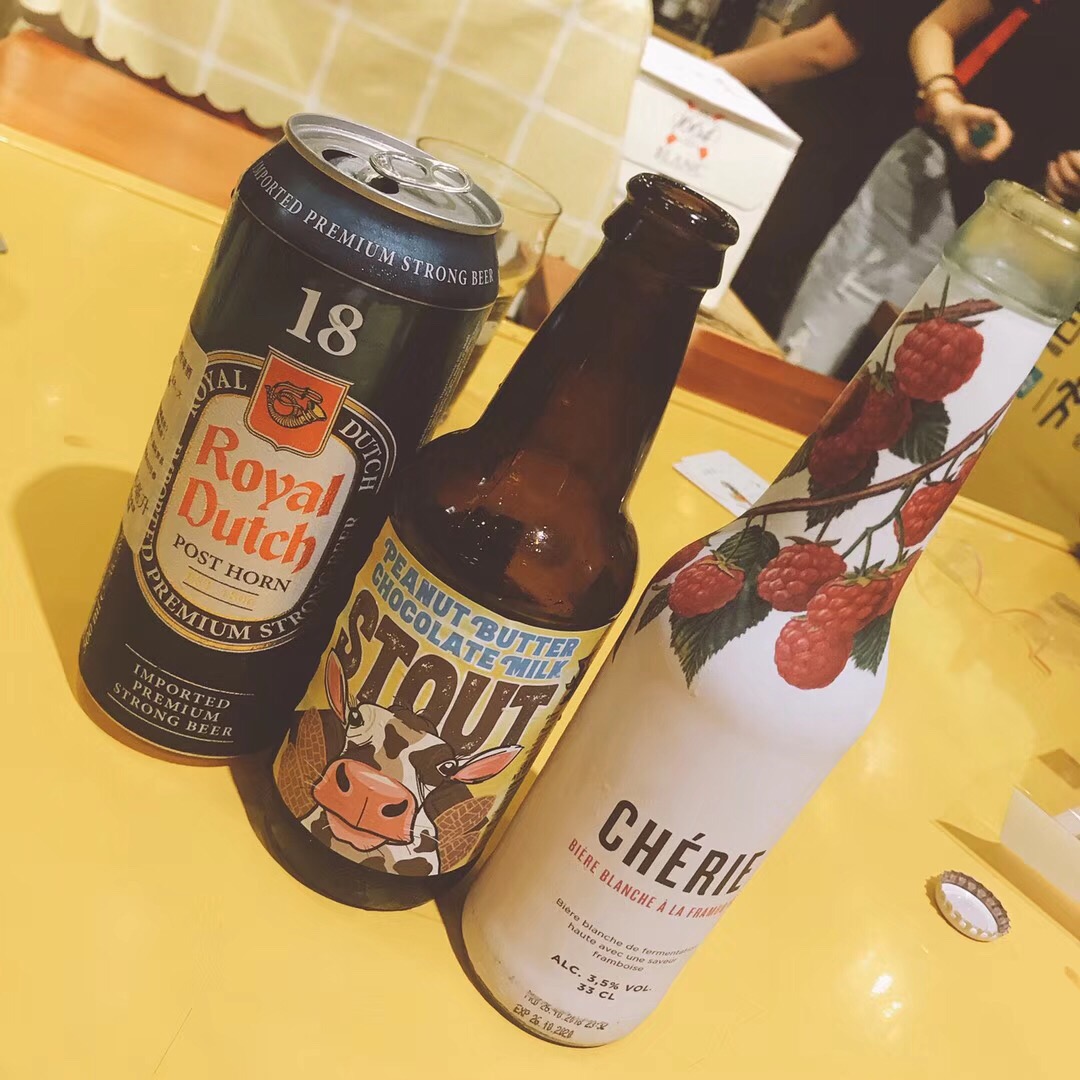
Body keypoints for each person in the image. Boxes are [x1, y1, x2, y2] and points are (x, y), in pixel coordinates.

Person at [779, 0, 1080, 375]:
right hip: (936, 182)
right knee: (816, 349)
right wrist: (946, 103)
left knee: (919, 387)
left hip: (1036, 245)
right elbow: (935, 29)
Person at [714, 1, 938, 336]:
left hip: (826, 156)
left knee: (743, 298)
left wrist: (703, 72)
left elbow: (826, 49)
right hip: (846, 158)